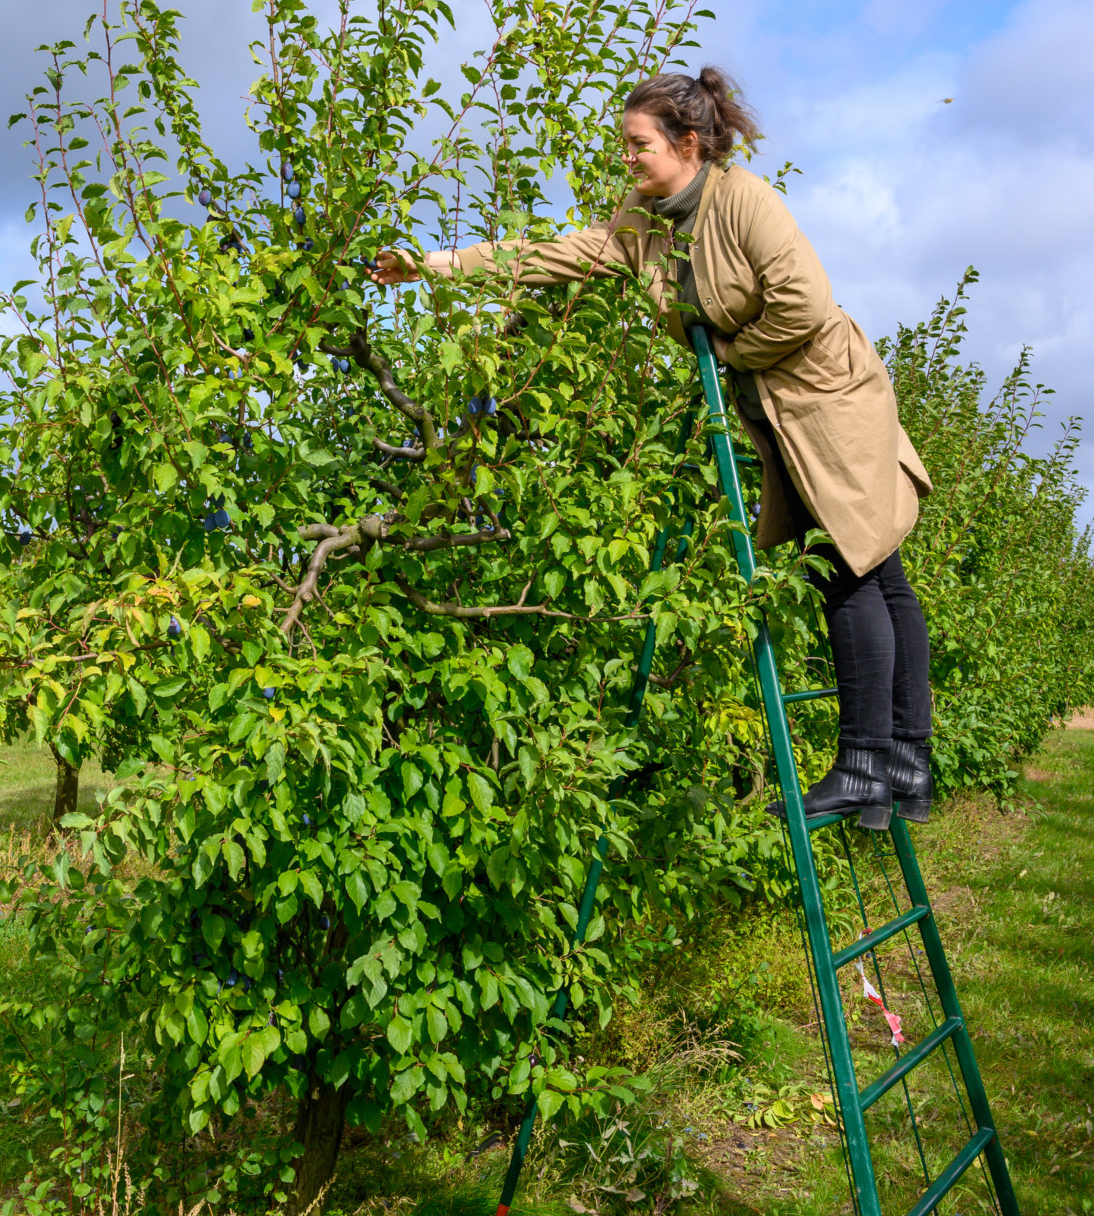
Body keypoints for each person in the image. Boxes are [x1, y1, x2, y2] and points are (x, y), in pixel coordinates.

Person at [373, 66, 934, 829]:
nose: (626, 158)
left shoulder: (744, 200)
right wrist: (434, 266)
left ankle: (867, 762)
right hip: (785, 405)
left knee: (853, 570)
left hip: (829, 397)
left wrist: (734, 356)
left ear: (688, 142)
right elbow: (554, 255)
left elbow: (802, 303)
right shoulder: (645, 220)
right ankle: (905, 763)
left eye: (636, 144)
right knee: (877, 571)